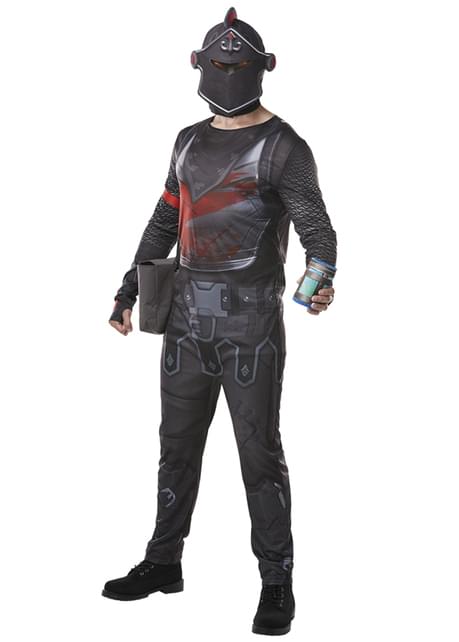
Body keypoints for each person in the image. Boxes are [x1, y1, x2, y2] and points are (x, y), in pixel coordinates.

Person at [102, 7, 337, 636]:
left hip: (251, 328)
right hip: (184, 322)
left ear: (261, 68)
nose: (227, 72)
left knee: (259, 453)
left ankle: (277, 581)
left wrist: (316, 287)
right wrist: (128, 288)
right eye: (218, 63)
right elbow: (165, 219)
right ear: (201, 66)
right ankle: (163, 562)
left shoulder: (285, 146)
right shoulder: (186, 141)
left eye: (237, 64)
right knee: (175, 448)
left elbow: (318, 234)